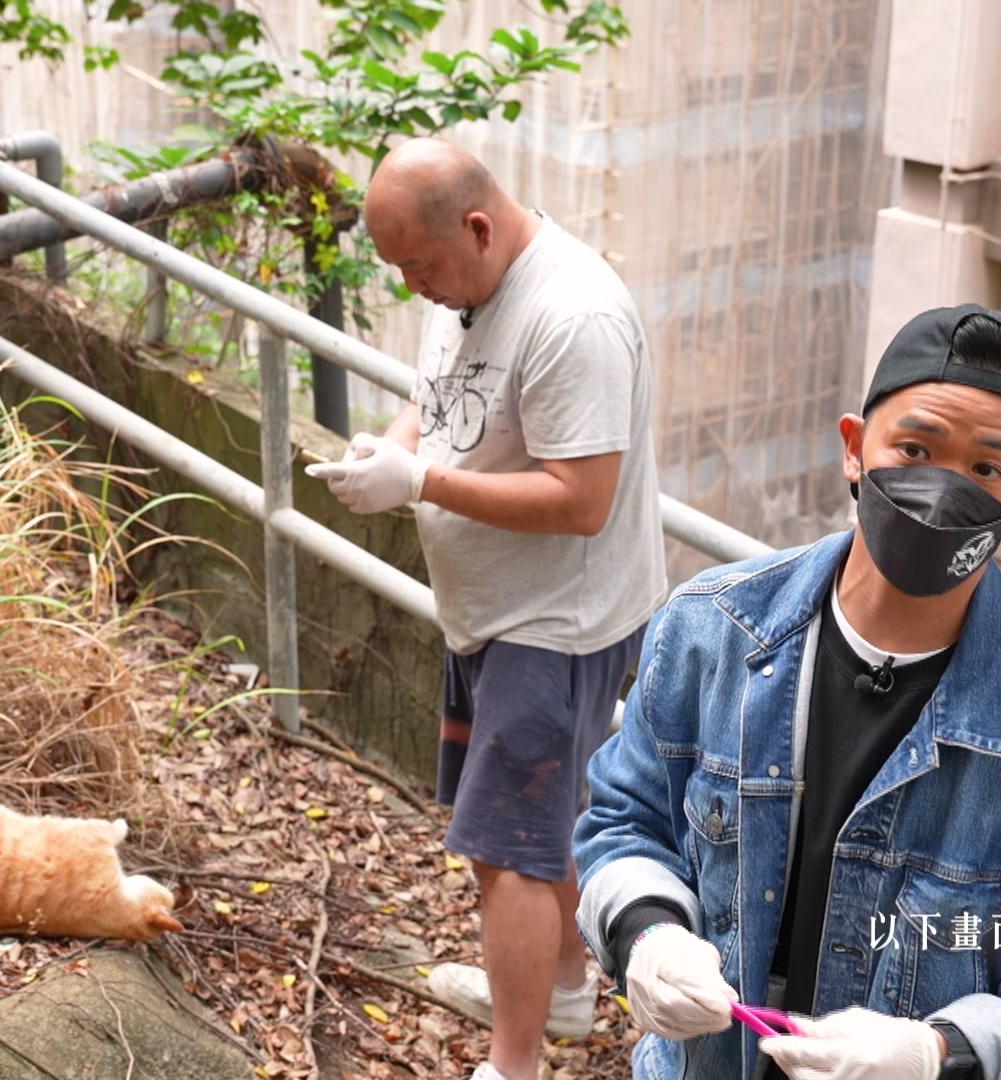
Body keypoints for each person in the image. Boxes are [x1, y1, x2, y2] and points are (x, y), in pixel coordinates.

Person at [573, 305, 1001, 1080]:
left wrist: (939, 1054)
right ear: (855, 449)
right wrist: (647, 934)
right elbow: (627, 818)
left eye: (988, 470)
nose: (941, 491)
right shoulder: (708, 632)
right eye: (916, 448)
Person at [306, 138, 667, 1080]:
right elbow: (436, 400)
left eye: (417, 266)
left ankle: (515, 1063)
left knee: (507, 844)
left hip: (557, 620)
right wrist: (384, 449)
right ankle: (568, 994)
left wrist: (419, 480)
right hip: (489, 606)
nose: (410, 285)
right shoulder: (465, 283)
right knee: (523, 825)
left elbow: (582, 499)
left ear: (475, 227)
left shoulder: (572, 315)